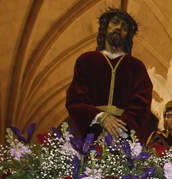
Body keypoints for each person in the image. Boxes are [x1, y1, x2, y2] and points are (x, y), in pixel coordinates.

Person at [65, 9, 155, 143]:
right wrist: (101, 117)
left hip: (123, 136)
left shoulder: (136, 67)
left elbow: (142, 103)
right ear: (105, 27)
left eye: (124, 27)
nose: (119, 28)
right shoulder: (86, 60)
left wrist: (119, 128)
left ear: (128, 35)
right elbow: (76, 99)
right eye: (115, 23)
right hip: (90, 133)